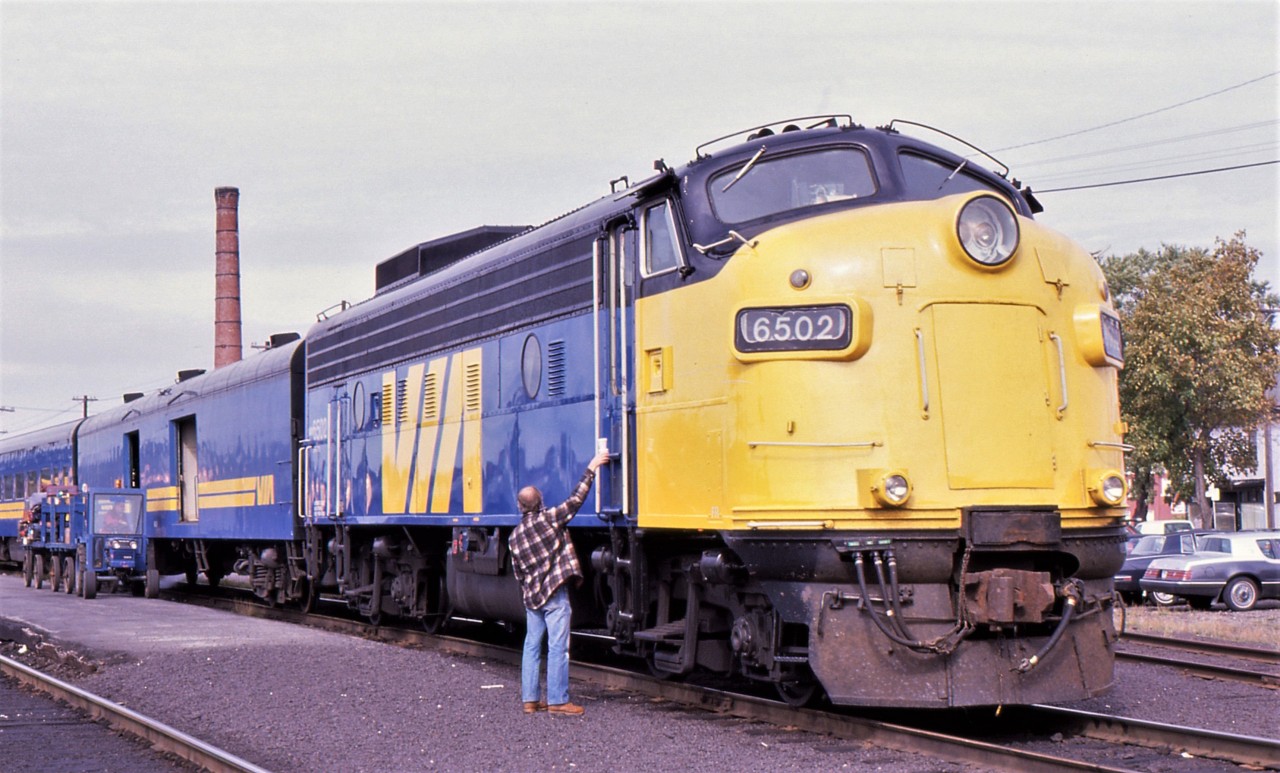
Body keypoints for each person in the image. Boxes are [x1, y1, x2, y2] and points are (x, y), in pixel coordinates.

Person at [509, 448, 611, 716]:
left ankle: (530, 700)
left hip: (532, 597)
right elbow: (576, 499)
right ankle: (557, 701)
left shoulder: (514, 537)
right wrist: (592, 465)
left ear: (520, 507)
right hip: (554, 594)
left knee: (531, 645)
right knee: (557, 647)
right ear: (540, 502)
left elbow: (518, 573)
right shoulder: (550, 518)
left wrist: (530, 591)